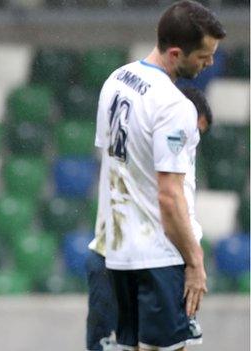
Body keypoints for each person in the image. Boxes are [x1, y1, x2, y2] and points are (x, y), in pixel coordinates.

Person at [93, 1, 225, 349]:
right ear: (177, 52)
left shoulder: (115, 81)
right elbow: (169, 196)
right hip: (159, 258)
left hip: (119, 256)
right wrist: (195, 263)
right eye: (203, 56)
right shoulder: (174, 105)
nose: (209, 63)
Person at [86, 86, 214, 351]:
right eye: (192, 130)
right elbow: (169, 203)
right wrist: (194, 261)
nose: (192, 140)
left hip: (131, 259)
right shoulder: (147, 150)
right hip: (131, 259)